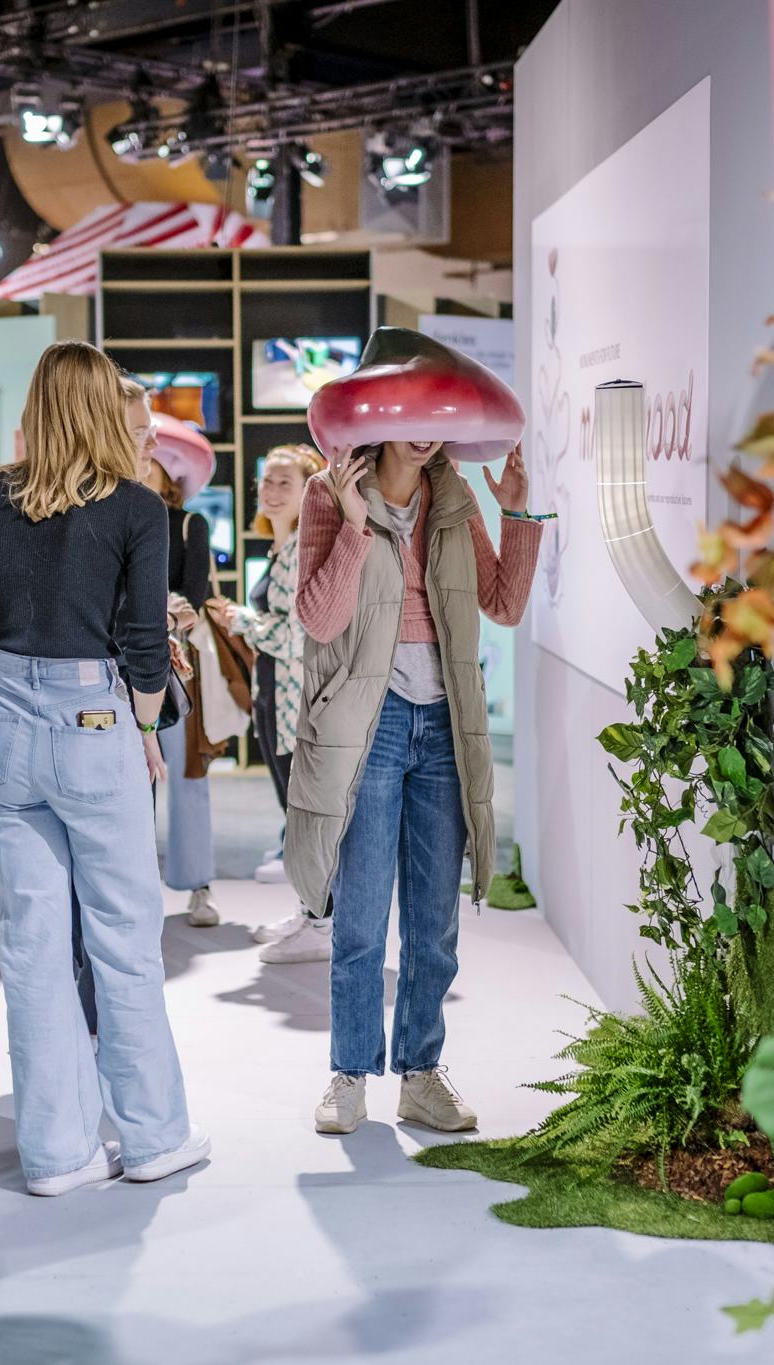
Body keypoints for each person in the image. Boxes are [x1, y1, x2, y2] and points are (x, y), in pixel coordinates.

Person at [0, 340, 209, 1195]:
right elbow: (144, 647)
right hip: (96, 720)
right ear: (102, 413)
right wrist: (145, 728)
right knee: (123, 940)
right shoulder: (137, 507)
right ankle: (154, 1137)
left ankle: (58, 1156)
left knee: (31, 948)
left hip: (11, 727)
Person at [281, 437, 545, 1135]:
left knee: (434, 922)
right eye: (410, 415)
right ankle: (350, 1073)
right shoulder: (329, 490)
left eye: (434, 417)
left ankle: (421, 1073)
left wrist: (516, 514)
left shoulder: (453, 494)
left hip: (445, 719)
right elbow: (319, 618)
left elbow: (504, 604)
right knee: (361, 916)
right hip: (371, 720)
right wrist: (353, 525)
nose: (422, 432)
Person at [217, 443, 324, 955]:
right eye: (267, 480)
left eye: (286, 482)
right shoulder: (281, 549)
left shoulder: (304, 550)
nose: (272, 491)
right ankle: (310, 914)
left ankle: (322, 923)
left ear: (308, 491)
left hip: (296, 699)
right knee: (293, 812)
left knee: (306, 815)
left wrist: (242, 620)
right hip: (274, 695)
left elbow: (300, 636)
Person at [128, 388, 221, 928]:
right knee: (132, 780)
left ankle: (198, 884)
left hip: (178, 666)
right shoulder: (116, 519)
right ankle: (135, 888)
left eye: (155, 455)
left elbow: (195, 595)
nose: (146, 462)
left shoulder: (189, 526)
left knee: (187, 776)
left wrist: (170, 610)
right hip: (124, 664)